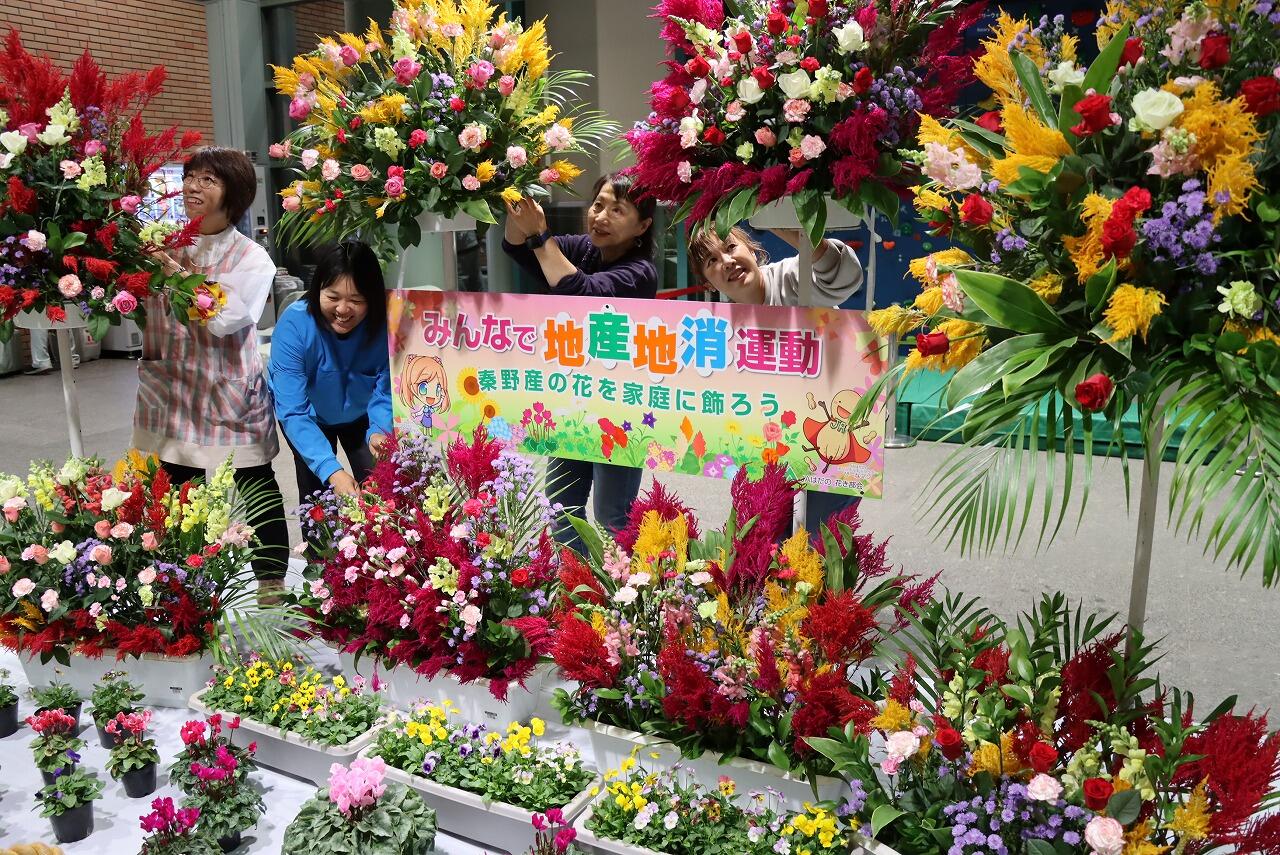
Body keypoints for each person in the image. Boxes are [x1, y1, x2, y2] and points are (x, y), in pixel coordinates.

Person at [131, 146, 289, 601]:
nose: (193, 187)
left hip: (228, 391)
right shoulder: (164, 242)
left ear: (233, 195)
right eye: (191, 177)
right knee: (179, 485)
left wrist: (170, 267)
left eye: (208, 180)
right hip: (174, 387)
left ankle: (271, 577)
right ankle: (184, 578)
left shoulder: (251, 258)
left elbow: (223, 318)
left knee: (254, 480)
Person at [502, 172, 657, 545]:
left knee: (612, 512)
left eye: (617, 210)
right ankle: (579, 586)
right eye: (598, 205)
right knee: (561, 502)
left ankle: (635, 595)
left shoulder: (640, 272)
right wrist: (517, 208)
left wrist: (540, 236)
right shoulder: (582, 249)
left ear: (643, 226)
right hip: (573, 400)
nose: (600, 217)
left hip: (621, 408)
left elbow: (583, 291)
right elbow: (517, 248)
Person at [689, 224, 865, 528]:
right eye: (712, 261)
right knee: (765, 543)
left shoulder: (793, 278)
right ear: (707, 281)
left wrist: (781, 221)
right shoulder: (716, 329)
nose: (726, 261)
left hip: (829, 443)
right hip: (766, 448)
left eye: (731, 248)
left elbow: (845, 275)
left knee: (822, 542)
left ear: (752, 250)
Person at [269, 241, 392, 503]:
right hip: (309, 418)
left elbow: (386, 388)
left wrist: (380, 430)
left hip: (363, 417)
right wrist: (331, 470)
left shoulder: (385, 325)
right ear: (317, 290)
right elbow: (293, 410)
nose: (343, 310)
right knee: (318, 499)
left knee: (380, 493)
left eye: (357, 300)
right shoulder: (295, 325)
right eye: (333, 297)